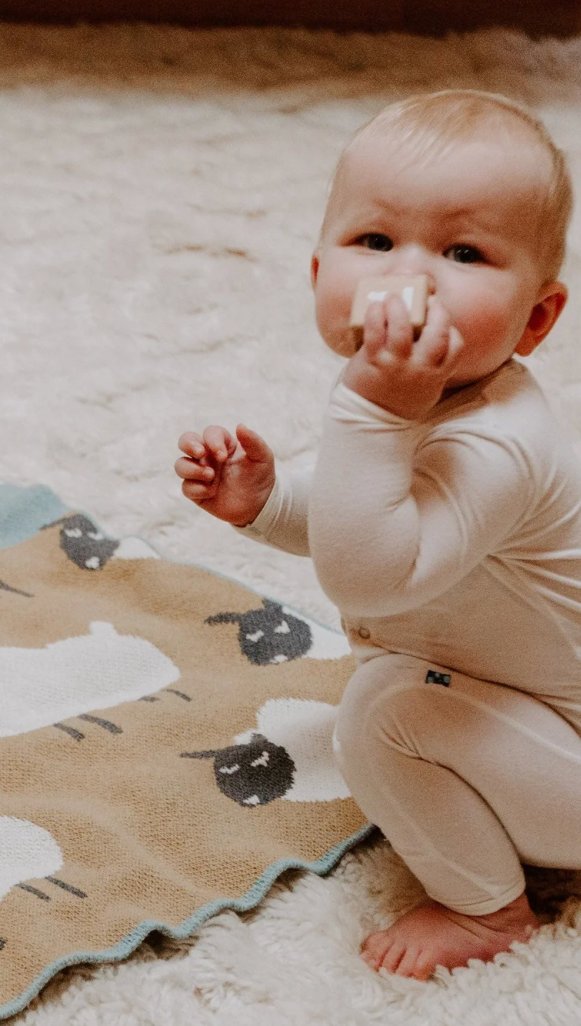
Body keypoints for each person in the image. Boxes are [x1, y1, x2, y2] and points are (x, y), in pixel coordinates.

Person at [175, 89, 580, 980]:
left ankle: (488, 911)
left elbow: (371, 577)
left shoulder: (503, 442)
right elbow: (369, 507)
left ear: (536, 320)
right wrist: (271, 501)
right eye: (376, 242)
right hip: (536, 719)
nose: (411, 277)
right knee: (395, 690)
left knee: (389, 711)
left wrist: (371, 407)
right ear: (319, 276)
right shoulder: (443, 407)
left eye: (465, 251)